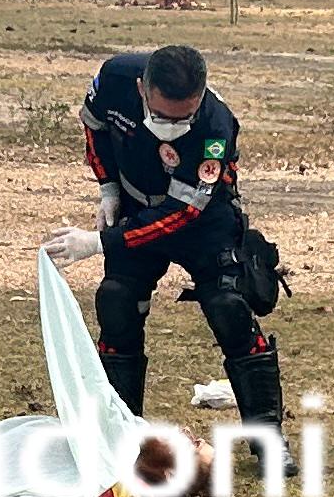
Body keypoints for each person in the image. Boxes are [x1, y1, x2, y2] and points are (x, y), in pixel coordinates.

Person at [79, 42, 284, 429]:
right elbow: (94, 128)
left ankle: (269, 440)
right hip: (136, 204)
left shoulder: (216, 125)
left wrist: (100, 243)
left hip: (203, 218)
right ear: (142, 89)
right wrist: (107, 186)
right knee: (117, 300)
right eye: (161, 116)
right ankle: (119, 434)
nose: (171, 128)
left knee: (229, 306)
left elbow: (185, 211)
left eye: (183, 118)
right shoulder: (114, 79)